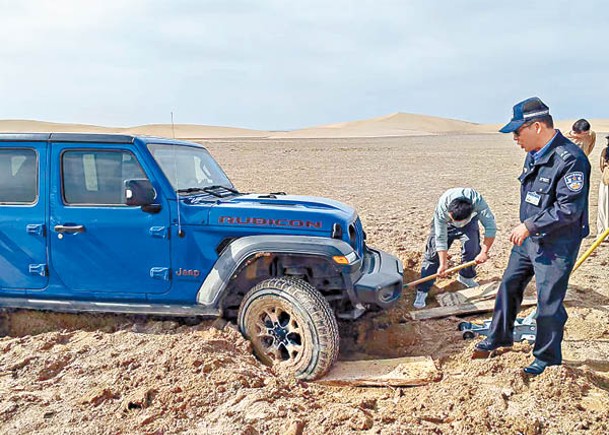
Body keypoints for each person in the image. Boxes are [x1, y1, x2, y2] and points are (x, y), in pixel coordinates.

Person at [475, 97, 591, 376]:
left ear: (537, 126)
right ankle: (499, 335)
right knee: (509, 286)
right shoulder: (535, 153)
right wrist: (528, 228)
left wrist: (529, 225)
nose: (515, 137)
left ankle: (547, 358)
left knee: (548, 304)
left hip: (557, 243)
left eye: (518, 131)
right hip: (530, 239)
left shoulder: (571, 160)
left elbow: (568, 210)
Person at [413, 188, 496, 309]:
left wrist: (484, 252)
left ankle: (466, 277)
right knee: (433, 255)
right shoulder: (443, 208)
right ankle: (422, 290)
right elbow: (440, 238)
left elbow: (491, 228)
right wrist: (443, 264)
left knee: (472, 250)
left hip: (469, 224)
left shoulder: (478, 202)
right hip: (445, 224)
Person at [598, 135, 609, 237]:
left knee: (604, 207)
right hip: (606, 180)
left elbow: (601, 166)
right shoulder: (605, 151)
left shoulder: (605, 151)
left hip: (605, 180)